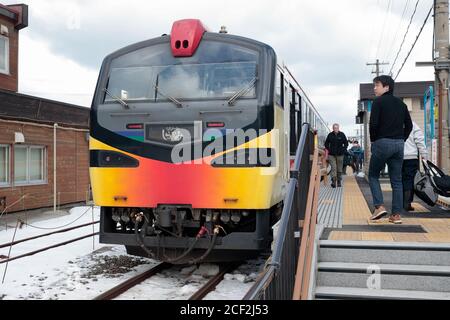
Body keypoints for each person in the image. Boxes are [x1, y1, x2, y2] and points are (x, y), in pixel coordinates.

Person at [369, 75, 413, 225]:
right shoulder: (402, 104)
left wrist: (374, 141)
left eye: (377, 85)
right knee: (397, 180)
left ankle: (379, 206)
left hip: (382, 143)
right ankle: (396, 215)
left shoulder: (378, 102)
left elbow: (373, 124)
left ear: (386, 87)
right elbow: (409, 126)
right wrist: (402, 139)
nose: (374, 88)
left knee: (373, 175)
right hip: (399, 144)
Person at [403, 121, 428, 211]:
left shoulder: (393, 123)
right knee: (409, 180)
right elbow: (420, 140)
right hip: (411, 157)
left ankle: (398, 203)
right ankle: (407, 203)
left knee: (397, 180)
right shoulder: (413, 124)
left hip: (396, 157)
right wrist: (424, 155)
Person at [324, 124, 348, 188]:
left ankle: (339, 181)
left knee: (339, 168)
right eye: (334, 128)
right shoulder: (330, 135)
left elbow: (346, 143)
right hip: (331, 155)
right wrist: (329, 149)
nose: (335, 129)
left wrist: (343, 150)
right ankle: (333, 182)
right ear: (333, 128)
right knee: (333, 167)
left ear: (338, 128)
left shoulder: (342, 134)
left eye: (336, 128)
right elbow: (326, 143)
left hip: (340, 154)